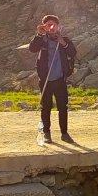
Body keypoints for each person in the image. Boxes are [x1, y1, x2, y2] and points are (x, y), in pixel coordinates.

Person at [29, 15, 77, 144]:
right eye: (48, 25)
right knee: (46, 107)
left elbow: (73, 53)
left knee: (63, 107)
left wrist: (63, 43)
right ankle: (46, 133)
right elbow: (32, 48)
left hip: (60, 80)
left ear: (58, 26)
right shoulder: (42, 40)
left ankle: (64, 133)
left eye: (54, 25)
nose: (51, 27)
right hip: (45, 80)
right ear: (44, 26)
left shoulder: (64, 40)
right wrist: (39, 34)